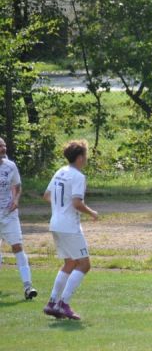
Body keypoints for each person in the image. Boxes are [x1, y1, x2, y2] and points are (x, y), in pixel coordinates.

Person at [43, 140, 99, 320]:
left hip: (56, 224)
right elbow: (76, 203)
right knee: (84, 264)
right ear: (81, 157)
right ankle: (63, 304)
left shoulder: (60, 171)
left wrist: (60, 208)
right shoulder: (78, 176)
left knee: (70, 263)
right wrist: (92, 213)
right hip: (69, 226)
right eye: (86, 155)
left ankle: (52, 302)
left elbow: (47, 196)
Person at [0, 137, 37, 300]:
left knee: (18, 247)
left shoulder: (10, 166)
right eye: (0, 146)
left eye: (4, 146)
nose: (3, 149)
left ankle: (28, 287)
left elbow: (17, 186)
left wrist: (15, 200)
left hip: (9, 215)